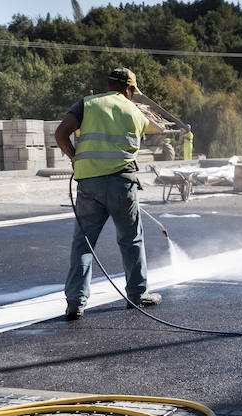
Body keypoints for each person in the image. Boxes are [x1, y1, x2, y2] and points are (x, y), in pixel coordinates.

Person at [54, 67, 162, 320]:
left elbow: (60, 133)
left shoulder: (87, 103)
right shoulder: (136, 112)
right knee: (131, 240)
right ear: (129, 89)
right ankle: (137, 295)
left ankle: (75, 303)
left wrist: (74, 158)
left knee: (83, 243)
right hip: (122, 184)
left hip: (89, 184)